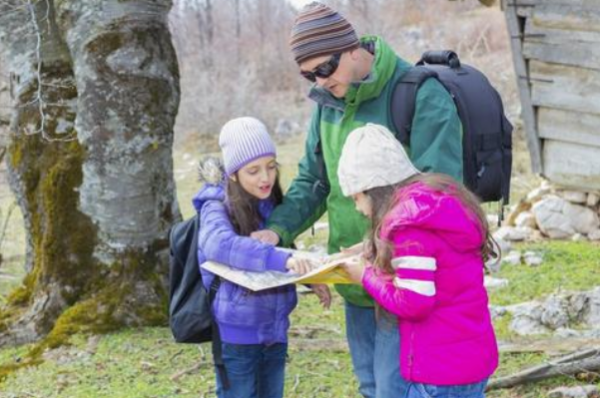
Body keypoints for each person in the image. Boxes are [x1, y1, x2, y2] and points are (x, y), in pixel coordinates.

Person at [251, 2, 463, 397]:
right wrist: (276, 230)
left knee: (394, 391)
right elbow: (314, 182)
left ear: (352, 48)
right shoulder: (326, 105)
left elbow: (441, 196)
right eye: (307, 74)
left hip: (404, 278)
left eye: (325, 68)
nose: (319, 80)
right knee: (370, 387)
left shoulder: (420, 95)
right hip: (355, 281)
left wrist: (372, 249)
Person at [338, 123, 499, 398]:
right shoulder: (435, 202)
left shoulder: (407, 226)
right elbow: (437, 255)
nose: (358, 208)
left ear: (372, 190)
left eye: (356, 197)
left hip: (439, 372)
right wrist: (374, 247)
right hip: (471, 361)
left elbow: (413, 304)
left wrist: (364, 276)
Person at [193, 117, 331, 398]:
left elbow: (285, 250)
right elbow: (220, 245)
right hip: (237, 335)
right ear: (233, 173)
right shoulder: (216, 206)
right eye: (253, 171)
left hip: (275, 330)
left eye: (271, 167)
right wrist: (281, 260)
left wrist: (307, 278)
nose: (265, 178)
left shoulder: (272, 206)